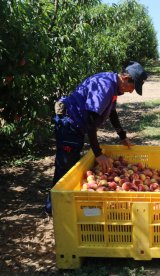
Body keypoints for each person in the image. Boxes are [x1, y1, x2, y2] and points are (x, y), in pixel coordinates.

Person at [45, 61, 148, 214]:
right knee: (66, 167)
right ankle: (53, 209)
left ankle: (62, 207)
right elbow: (91, 120)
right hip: (70, 124)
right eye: (132, 87)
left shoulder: (113, 86)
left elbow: (111, 112)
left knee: (72, 165)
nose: (131, 92)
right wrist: (98, 154)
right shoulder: (105, 86)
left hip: (77, 126)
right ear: (126, 78)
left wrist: (122, 136)